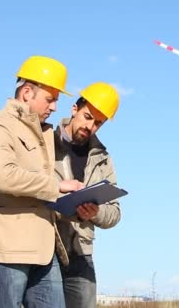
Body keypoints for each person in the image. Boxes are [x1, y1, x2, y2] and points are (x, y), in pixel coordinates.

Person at [0, 55, 85, 308]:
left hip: (44, 250)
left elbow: (40, 191)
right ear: (27, 92)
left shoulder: (43, 134)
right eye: (50, 99)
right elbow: (4, 177)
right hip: (6, 250)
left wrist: (77, 207)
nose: (54, 107)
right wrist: (58, 186)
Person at [53, 82, 122, 308]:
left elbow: (114, 214)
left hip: (81, 253)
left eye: (98, 123)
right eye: (87, 116)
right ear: (74, 109)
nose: (90, 126)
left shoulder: (103, 159)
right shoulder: (45, 143)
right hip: (47, 248)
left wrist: (96, 212)